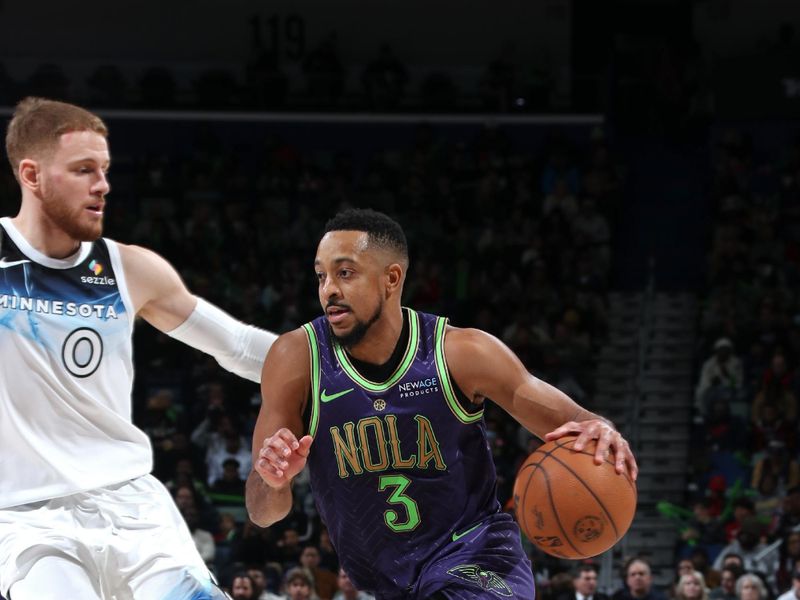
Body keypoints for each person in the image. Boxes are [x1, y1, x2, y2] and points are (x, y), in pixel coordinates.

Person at [246, 208, 638, 599]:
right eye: (321, 275)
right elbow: (262, 511)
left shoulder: (461, 352)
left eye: (345, 273)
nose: (328, 289)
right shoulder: (295, 358)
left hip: (477, 559)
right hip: (387, 585)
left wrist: (600, 428)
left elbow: (575, 421)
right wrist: (274, 480)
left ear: (391, 279)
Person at [0, 97, 278, 599]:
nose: (102, 185)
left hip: (134, 509)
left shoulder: (129, 268)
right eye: (83, 170)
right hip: (28, 519)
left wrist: (343, 370)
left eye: (104, 169)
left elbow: (236, 345)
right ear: (32, 175)